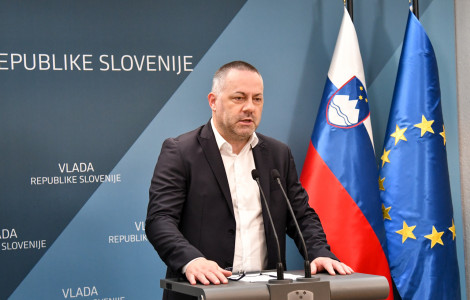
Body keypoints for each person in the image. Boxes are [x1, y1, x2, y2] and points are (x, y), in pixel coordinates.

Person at [145, 61, 353, 300]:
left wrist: (318, 252)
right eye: (239, 98)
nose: (249, 107)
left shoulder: (277, 154)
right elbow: (160, 220)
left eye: (257, 99)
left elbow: (301, 215)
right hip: (205, 293)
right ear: (213, 101)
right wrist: (192, 260)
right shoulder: (181, 151)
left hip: (266, 293)